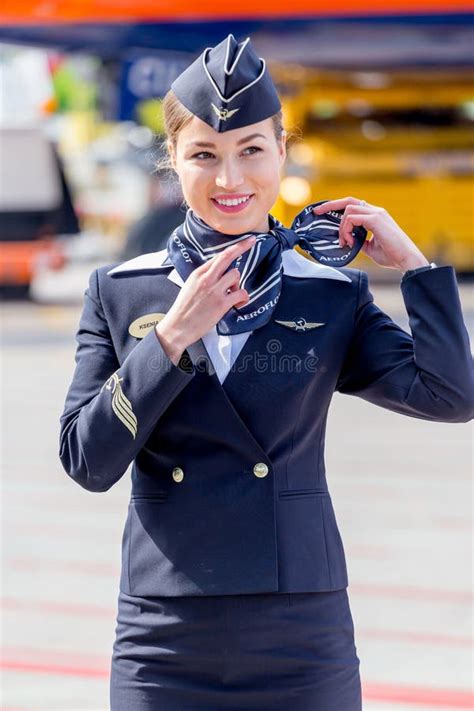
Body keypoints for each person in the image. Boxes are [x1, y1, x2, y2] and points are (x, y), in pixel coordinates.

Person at [58, 34, 474, 711]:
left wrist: (417, 269)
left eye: (252, 150)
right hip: (165, 633)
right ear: (173, 159)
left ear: (283, 150)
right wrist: (169, 338)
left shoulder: (328, 291)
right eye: (204, 155)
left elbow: (452, 395)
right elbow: (85, 458)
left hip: (300, 630)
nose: (230, 180)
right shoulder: (122, 292)